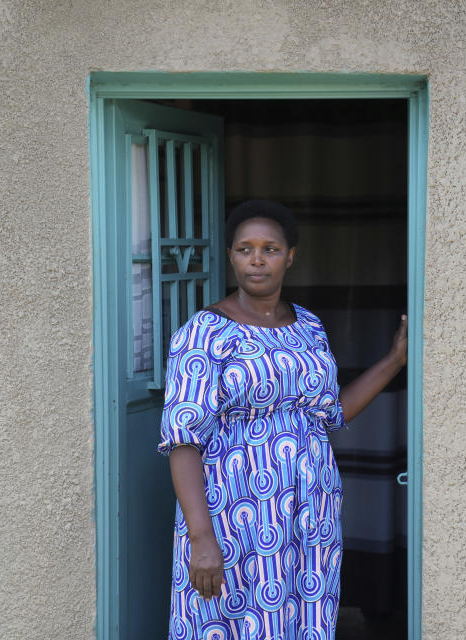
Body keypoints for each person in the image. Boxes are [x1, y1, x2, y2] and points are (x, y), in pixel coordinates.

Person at [158, 199, 407, 640]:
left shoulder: (308, 325)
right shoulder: (203, 333)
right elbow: (182, 441)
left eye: (270, 249)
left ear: (290, 256)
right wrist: (201, 538)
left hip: (311, 513)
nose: (257, 259)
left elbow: (330, 411)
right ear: (231, 255)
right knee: (231, 623)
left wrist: (393, 360)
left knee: (302, 622)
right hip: (234, 515)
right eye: (244, 249)